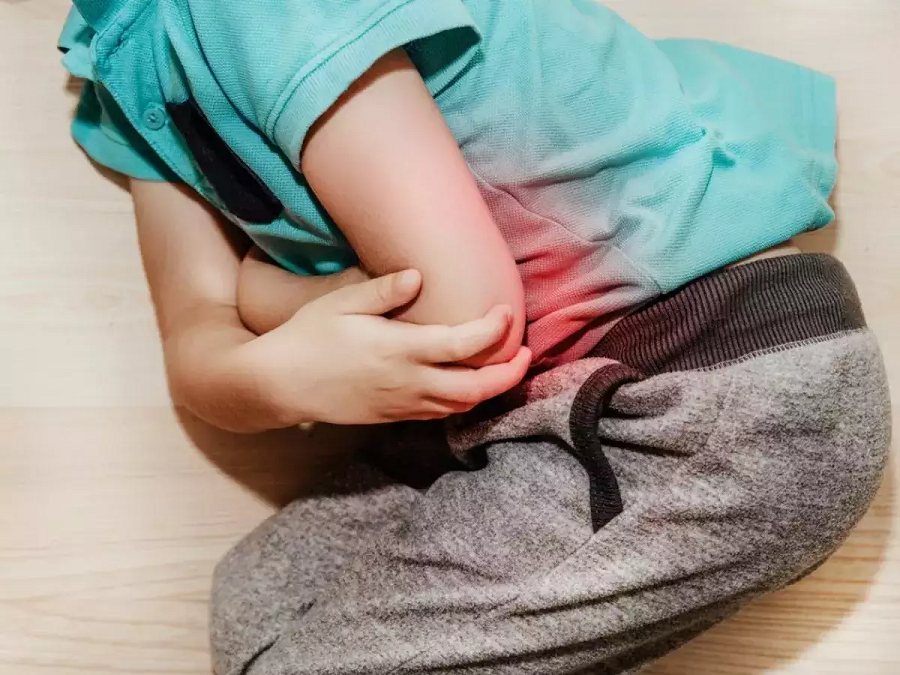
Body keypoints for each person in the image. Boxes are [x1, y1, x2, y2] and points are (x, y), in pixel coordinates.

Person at [59, 1, 891, 673]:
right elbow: (197, 349)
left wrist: (264, 295)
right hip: (518, 404)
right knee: (259, 606)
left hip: (703, 386)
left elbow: (467, 324)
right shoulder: (117, 49)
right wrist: (277, 375)